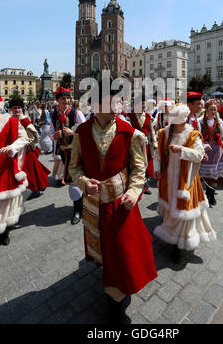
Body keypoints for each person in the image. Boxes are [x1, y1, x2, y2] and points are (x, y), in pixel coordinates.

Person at [69, 79, 157, 324]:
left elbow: (140, 169)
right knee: (104, 249)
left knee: (122, 252)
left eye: (121, 98)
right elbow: (74, 167)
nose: (121, 103)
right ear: (97, 104)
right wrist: (83, 182)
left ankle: (116, 304)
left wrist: (134, 191)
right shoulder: (82, 133)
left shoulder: (131, 133)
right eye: (115, 99)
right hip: (95, 203)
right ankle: (111, 288)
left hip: (121, 203)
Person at [153, 103, 216, 264]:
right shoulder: (163, 133)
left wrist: (181, 150)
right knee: (171, 211)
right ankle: (172, 240)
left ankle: (181, 242)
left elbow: (199, 155)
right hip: (168, 181)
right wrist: (157, 168)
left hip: (186, 182)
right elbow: (157, 154)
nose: (181, 121)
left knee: (184, 212)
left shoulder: (193, 134)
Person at [0, 94, 29, 245]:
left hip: (4, 169)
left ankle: (5, 232)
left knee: (5, 201)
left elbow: (24, 138)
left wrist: (11, 147)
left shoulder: (11, 122)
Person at [49, 87, 86, 224]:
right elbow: (51, 131)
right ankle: (80, 206)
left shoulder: (76, 113)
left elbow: (86, 129)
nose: (66, 101)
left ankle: (78, 210)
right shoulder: (54, 115)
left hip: (77, 151)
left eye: (68, 98)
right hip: (63, 151)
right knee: (72, 181)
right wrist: (54, 135)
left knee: (74, 181)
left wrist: (73, 132)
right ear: (57, 100)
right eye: (63, 98)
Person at [9, 97, 50, 196]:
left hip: (26, 150)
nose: (17, 110)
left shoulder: (24, 120)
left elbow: (35, 134)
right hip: (15, 150)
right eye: (15, 108)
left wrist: (31, 143)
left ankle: (32, 189)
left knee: (30, 170)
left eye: (19, 108)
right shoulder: (10, 119)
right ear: (11, 109)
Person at [199, 100, 223, 207]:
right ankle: (206, 193)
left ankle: (211, 195)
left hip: (218, 153)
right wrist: (203, 146)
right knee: (206, 177)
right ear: (206, 110)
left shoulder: (220, 122)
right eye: (211, 109)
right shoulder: (200, 122)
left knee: (215, 177)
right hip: (206, 153)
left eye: (215, 109)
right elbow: (198, 138)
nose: (213, 112)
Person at [126, 97, 157, 195]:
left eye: (144, 104)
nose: (143, 106)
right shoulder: (129, 116)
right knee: (133, 164)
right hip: (132, 145)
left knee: (145, 165)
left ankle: (144, 186)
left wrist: (155, 142)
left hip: (145, 145)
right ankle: (133, 185)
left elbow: (152, 131)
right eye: (141, 104)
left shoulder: (148, 117)